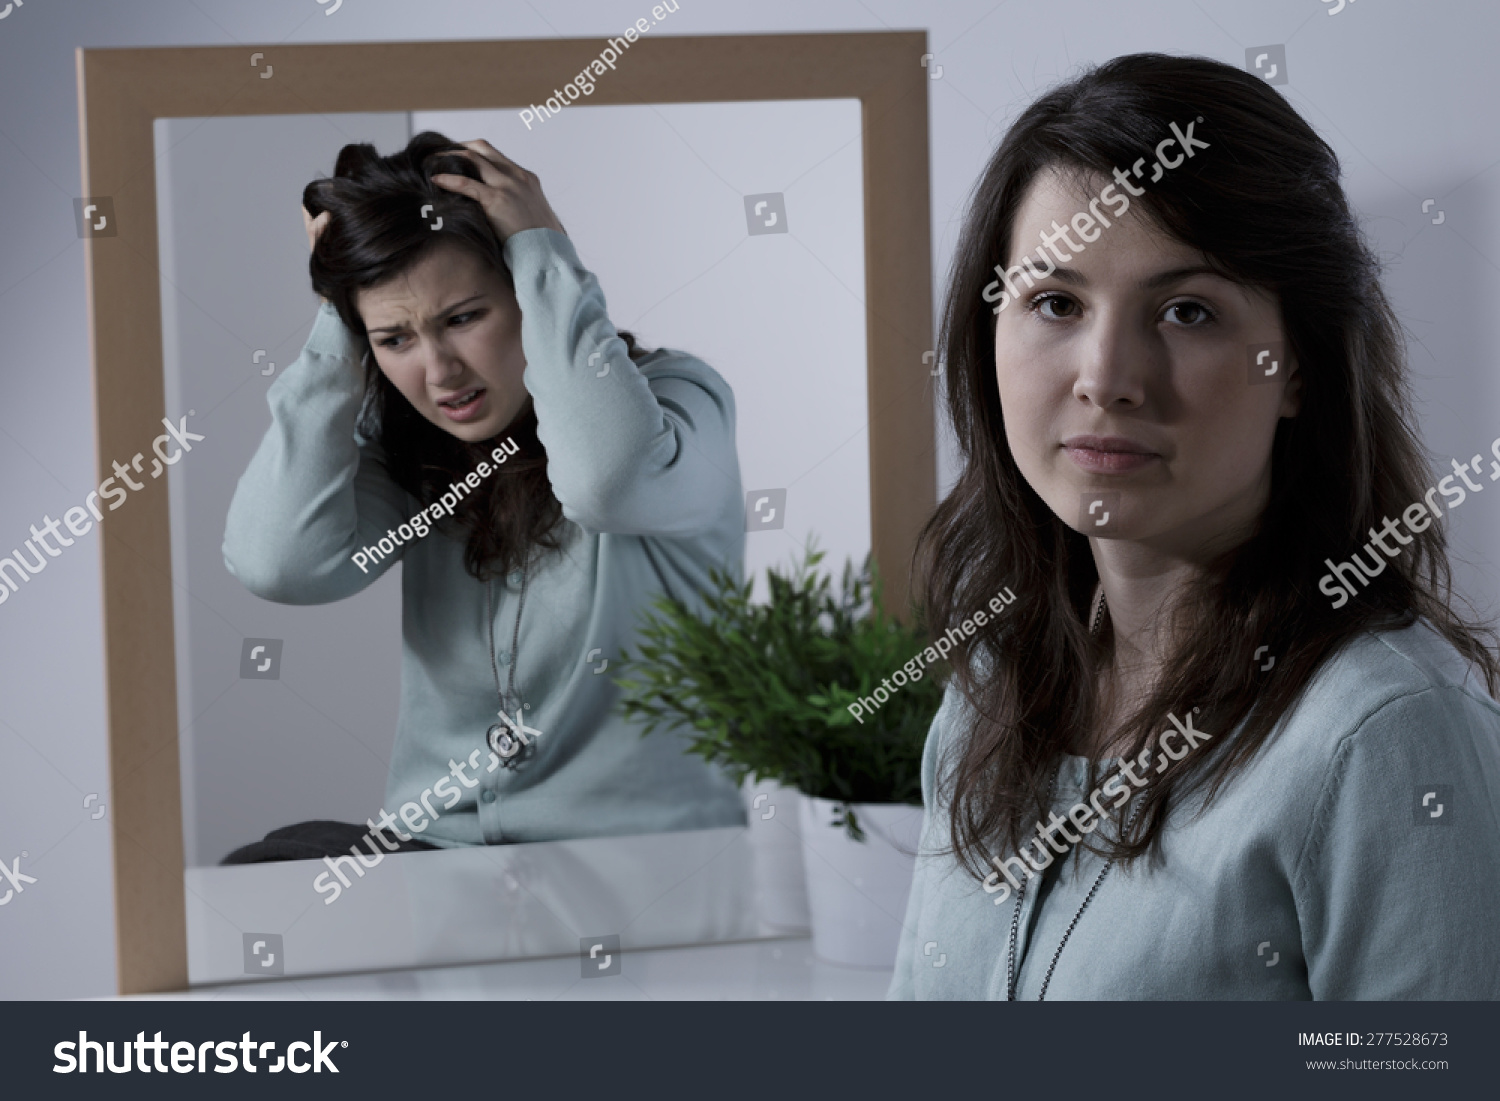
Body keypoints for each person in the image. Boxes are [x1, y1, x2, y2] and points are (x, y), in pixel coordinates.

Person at [888, 53, 1500, 999]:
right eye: (1055, 302)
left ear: (1298, 366)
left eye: (1186, 310)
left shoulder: (1383, 736)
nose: (1107, 376)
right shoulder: (987, 693)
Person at [220, 132, 745, 865]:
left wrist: (541, 245)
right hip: (441, 860)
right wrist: (339, 319)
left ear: (527, 290)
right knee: (265, 872)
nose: (439, 372)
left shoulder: (677, 406)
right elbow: (276, 562)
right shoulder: (412, 454)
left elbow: (605, 482)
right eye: (395, 338)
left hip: (646, 865)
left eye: (463, 317)